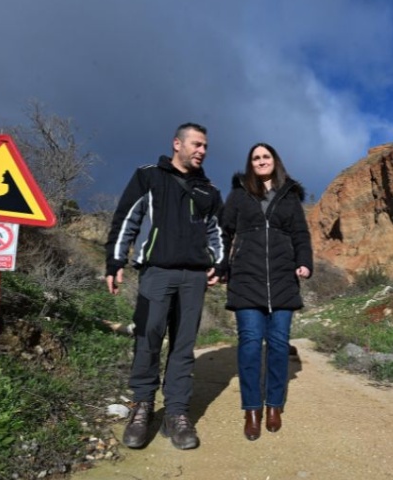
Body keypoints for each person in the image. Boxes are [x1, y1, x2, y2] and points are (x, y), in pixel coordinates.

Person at [105, 122, 224, 450]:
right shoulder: (149, 176)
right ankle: (142, 407)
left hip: (194, 278)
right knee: (148, 338)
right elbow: (127, 220)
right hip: (156, 272)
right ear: (177, 143)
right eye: (196, 144)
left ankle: (176, 413)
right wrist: (115, 261)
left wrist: (220, 261)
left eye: (205, 147)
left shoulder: (208, 191)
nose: (202, 151)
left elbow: (218, 232)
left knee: (184, 345)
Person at [217, 142, 313, 441]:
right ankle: (252, 409)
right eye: (256, 157)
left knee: (278, 344)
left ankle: (273, 405)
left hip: (283, 278)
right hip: (246, 278)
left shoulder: (290, 195)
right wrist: (221, 265)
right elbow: (224, 231)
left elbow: (300, 234)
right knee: (248, 343)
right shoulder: (238, 194)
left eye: (265, 156)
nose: (261, 161)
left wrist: (304, 262)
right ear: (250, 164)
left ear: (275, 161)